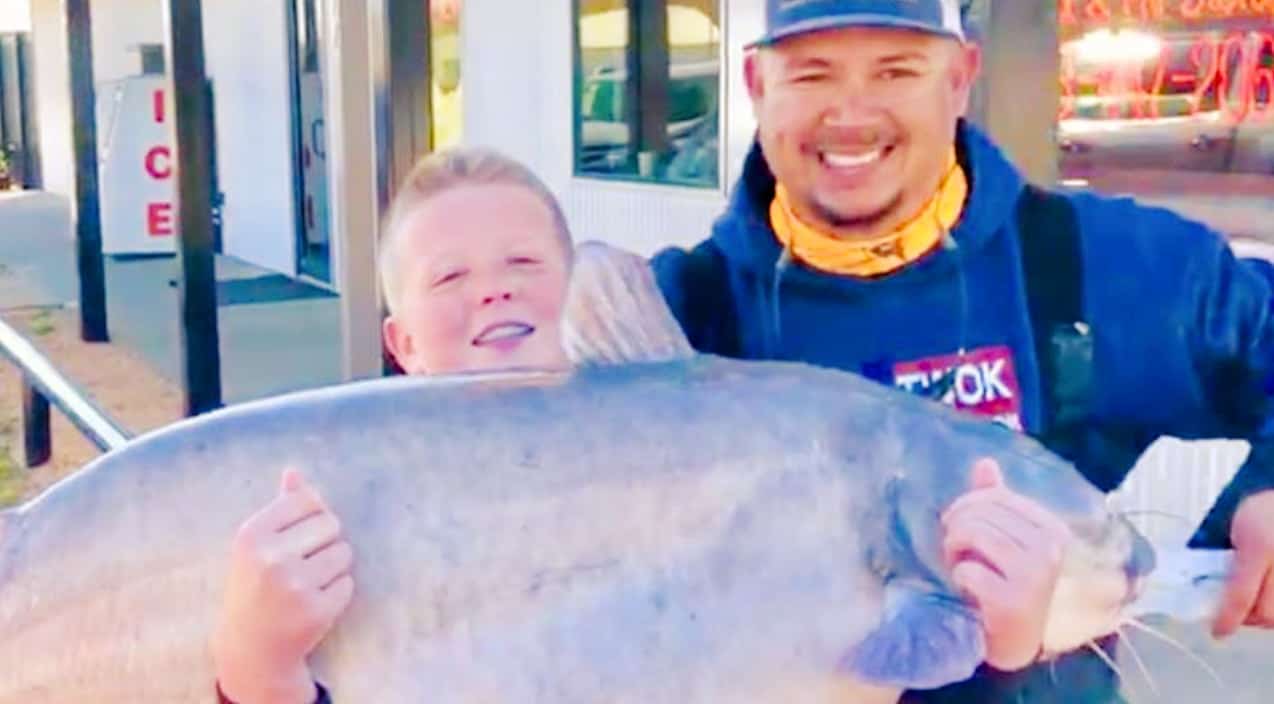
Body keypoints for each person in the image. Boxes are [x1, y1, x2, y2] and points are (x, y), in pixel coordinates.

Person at [649, 1, 1274, 701]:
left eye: (896, 70)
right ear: (757, 85)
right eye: (812, 74)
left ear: (961, 76)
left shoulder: (1092, 265)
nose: (851, 112)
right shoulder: (675, 316)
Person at [211, 148, 576, 704]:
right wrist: (257, 669)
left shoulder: (668, 453)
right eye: (451, 275)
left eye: (523, 262)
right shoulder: (342, 496)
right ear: (403, 344)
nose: (494, 289)